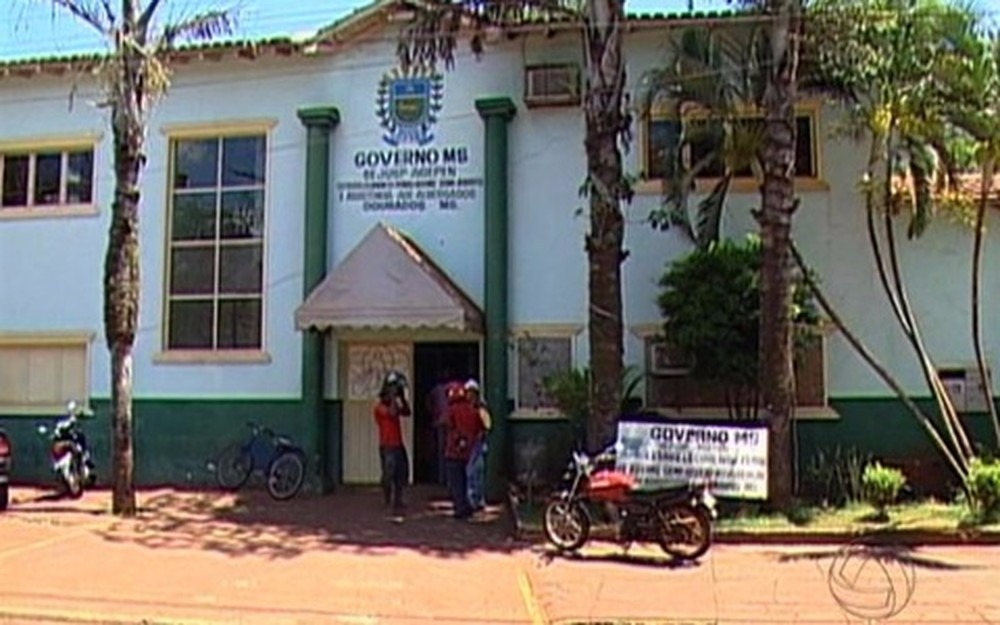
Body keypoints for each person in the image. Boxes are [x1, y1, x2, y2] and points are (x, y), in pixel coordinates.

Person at [443, 382, 485, 520]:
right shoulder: (474, 411)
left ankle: (460, 508)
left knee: (456, 481)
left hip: (453, 450)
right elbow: (482, 427)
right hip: (468, 450)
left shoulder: (451, 410)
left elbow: (447, 424)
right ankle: (467, 505)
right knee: (466, 479)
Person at [373, 370, 411, 514]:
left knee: (401, 473)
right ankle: (387, 498)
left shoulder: (394, 404)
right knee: (389, 473)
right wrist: (394, 397)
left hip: (398, 444)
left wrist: (403, 398)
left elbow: (407, 412)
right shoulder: (380, 407)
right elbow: (392, 412)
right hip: (387, 445)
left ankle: (398, 500)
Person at [464, 379, 491, 511]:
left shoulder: (480, 407)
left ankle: (477, 499)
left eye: (471, 392)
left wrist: (482, 433)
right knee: (471, 471)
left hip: (478, 442)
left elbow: (487, 424)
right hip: (469, 442)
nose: (469, 395)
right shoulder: (465, 407)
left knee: (477, 470)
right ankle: (472, 499)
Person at [425, 368, 453, 485]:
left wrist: (434, 413)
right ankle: (445, 479)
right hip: (446, 423)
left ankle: (443, 478)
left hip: (444, 422)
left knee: (444, 451)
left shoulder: (439, 390)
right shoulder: (449, 389)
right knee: (446, 451)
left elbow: (428, 404)